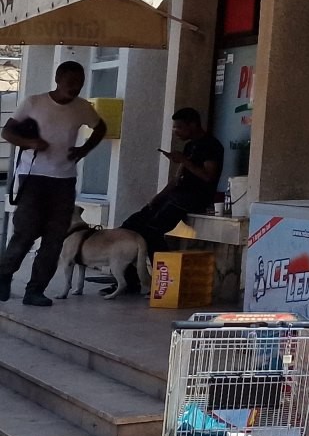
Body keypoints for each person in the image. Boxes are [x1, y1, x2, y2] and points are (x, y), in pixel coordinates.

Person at [0, 62, 107, 307]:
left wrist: (84, 150)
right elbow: (7, 132)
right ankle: (4, 275)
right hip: (33, 177)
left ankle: (36, 290)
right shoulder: (34, 102)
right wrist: (30, 143)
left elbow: (100, 127)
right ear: (58, 79)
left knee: (55, 238)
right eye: (70, 81)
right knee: (26, 232)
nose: (75, 87)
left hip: (64, 180)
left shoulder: (82, 108)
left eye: (79, 82)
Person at [121, 108, 223, 272]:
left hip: (193, 199)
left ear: (193, 125)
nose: (176, 132)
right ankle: (129, 278)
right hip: (175, 196)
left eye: (179, 127)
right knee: (130, 226)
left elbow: (208, 176)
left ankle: (165, 276)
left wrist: (184, 160)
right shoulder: (189, 146)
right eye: (174, 127)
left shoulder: (211, 145)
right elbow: (177, 179)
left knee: (152, 231)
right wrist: (157, 198)